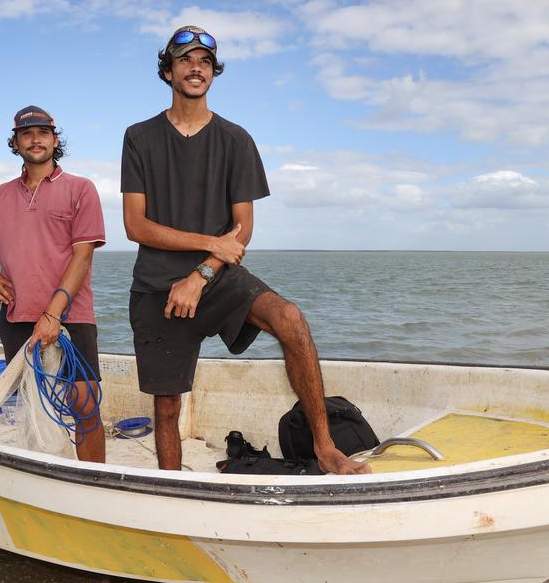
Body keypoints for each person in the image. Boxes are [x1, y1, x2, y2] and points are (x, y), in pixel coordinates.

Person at [120, 26, 371, 475]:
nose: (195, 67)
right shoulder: (139, 137)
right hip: (158, 284)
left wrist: (202, 273)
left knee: (290, 319)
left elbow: (242, 228)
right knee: (165, 407)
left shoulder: (236, 139)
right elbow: (135, 225)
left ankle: (325, 446)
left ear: (213, 72)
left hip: (215, 276)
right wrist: (207, 243)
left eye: (204, 61)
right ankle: (173, 489)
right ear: (168, 70)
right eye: (184, 59)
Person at [0, 105, 106, 463]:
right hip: (17, 316)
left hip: (71, 313)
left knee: (85, 402)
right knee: (34, 403)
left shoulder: (81, 188)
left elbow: (83, 256)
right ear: (15, 142)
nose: (35, 139)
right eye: (27, 134)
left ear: (55, 140)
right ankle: (46, 477)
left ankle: (94, 483)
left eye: (43, 133)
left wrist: (53, 313)